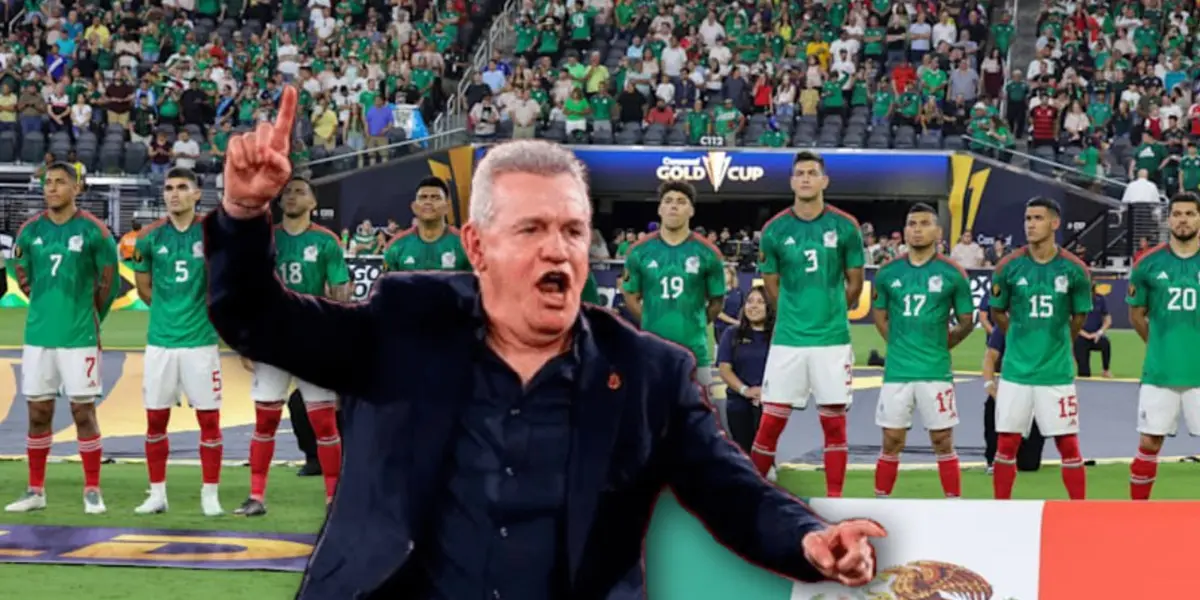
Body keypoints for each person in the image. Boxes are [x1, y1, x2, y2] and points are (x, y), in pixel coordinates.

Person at [205, 91, 885, 598]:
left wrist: (808, 537)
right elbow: (257, 321)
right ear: (477, 246)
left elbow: (731, 489)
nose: (558, 251)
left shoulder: (647, 373)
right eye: (531, 230)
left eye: (573, 231)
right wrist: (241, 215)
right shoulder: (404, 321)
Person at [750, 151, 866, 497]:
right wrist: (791, 311)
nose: (805, 178)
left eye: (812, 173)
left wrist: (830, 311)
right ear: (791, 181)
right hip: (788, 341)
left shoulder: (845, 226)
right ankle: (752, 497)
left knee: (834, 425)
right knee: (770, 423)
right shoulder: (774, 230)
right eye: (799, 173)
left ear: (824, 181)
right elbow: (771, 284)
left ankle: (836, 500)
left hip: (832, 341)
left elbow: (855, 283)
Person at [5, 162, 118, 514]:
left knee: (83, 412)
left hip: (79, 336)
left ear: (77, 189)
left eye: (59, 182)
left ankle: (92, 490)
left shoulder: (95, 232)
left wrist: (89, 316)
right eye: (47, 182)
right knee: (38, 412)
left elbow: (109, 283)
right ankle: (35, 490)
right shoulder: (29, 232)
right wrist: (38, 300)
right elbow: (19, 270)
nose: (51, 188)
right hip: (38, 336)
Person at [237, 176, 351, 516]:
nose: (291, 196)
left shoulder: (326, 241)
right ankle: (256, 496)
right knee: (265, 421)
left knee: (325, 423)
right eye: (287, 191)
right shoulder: (265, 239)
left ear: (314, 203)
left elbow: (340, 292)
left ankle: (334, 497)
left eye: (300, 191)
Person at [130, 167, 225, 516]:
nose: (174, 194)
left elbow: (223, 284)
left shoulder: (213, 234)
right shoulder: (148, 238)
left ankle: (210, 494)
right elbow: (143, 288)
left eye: (182, 187)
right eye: (169, 188)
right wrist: (171, 313)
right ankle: (157, 494)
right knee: (155, 420)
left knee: (209, 421)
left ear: (197, 194)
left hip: (201, 343)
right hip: (161, 343)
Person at [988, 197, 1092, 500]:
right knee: (1006, 443)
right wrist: (1017, 336)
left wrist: (1060, 342)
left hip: (1056, 373)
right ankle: (1001, 508)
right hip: (1015, 372)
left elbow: (1080, 316)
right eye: (1027, 218)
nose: (1030, 224)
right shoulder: (1009, 266)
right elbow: (997, 311)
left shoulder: (1075, 269)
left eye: (1037, 218)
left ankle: (1078, 510)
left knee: (1068, 444)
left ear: (1055, 223)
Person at [870, 203, 975, 499]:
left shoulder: (953, 273)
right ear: (904, 230)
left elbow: (967, 321)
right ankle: (882, 502)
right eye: (911, 223)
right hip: (898, 371)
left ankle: (953, 503)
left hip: (935, 370)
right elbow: (880, 315)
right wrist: (899, 344)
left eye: (924, 223)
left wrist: (942, 345)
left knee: (942, 439)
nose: (917, 229)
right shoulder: (888, 272)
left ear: (938, 231)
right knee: (891, 439)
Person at [620, 180, 728, 426]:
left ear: (691, 210)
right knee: (652, 422)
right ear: (659, 209)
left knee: (699, 424)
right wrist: (651, 320)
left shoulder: (708, 252)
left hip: (695, 353)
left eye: (681, 202)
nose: (673, 207)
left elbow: (716, 300)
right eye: (668, 202)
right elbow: (630, 295)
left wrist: (696, 322)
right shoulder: (640, 251)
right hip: (652, 353)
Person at [1127, 192, 1200, 500]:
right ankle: (1137, 515)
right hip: (1160, 372)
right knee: (1149, 444)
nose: (1183, 219)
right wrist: (1159, 344)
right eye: (1177, 213)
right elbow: (1137, 315)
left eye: (1190, 214)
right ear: (1169, 219)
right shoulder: (1147, 264)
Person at [980, 298, 1046, 476]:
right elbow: (990, 357)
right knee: (993, 404)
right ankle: (992, 458)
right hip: (1012, 384)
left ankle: (1023, 451)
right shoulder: (1006, 328)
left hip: (1038, 388)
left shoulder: (1048, 330)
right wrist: (990, 385)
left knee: (1029, 465)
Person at [717, 286, 773, 453]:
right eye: (749, 301)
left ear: (769, 307)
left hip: (770, 399)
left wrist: (765, 392)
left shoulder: (778, 335)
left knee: (764, 449)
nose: (753, 306)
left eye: (760, 302)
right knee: (742, 449)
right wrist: (745, 390)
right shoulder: (731, 334)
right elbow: (724, 368)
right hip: (738, 399)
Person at [381, 176, 470, 272]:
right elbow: (387, 284)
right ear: (414, 207)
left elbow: (477, 284)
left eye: (435, 198)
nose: (428, 202)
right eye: (423, 197)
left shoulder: (465, 244)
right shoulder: (396, 245)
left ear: (447, 207)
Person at [1073, 283, 1113, 377]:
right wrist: (1085, 334)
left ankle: (1105, 370)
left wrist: (1099, 332)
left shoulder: (1100, 299)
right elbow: (1071, 322)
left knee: (1105, 344)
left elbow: (1108, 320)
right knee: (1084, 373)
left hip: (1096, 336)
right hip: (1081, 337)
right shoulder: (1076, 300)